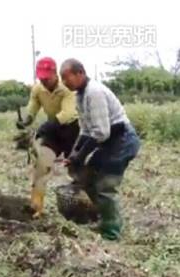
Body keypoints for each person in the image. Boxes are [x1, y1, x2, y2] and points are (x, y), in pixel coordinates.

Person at [60, 58, 140, 241]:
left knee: (105, 186)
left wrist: (80, 155)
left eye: (67, 77)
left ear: (80, 73)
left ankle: (112, 232)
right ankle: (105, 217)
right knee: (86, 177)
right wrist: (74, 155)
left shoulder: (94, 92)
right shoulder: (80, 95)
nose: (64, 82)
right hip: (109, 141)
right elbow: (86, 130)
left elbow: (101, 133)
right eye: (62, 79)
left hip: (122, 141)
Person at [16, 57, 80, 218]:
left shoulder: (67, 89)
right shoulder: (38, 90)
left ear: (54, 73)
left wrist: (46, 126)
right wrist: (26, 120)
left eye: (47, 78)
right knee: (42, 166)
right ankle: (36, 208)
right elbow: (32, 108)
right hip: (53, 132)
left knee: (78, 169)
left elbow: (67, 114)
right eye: (41, 78)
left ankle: (84, 208)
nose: (44, 81)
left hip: (72, 130)